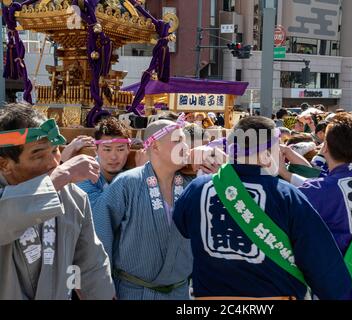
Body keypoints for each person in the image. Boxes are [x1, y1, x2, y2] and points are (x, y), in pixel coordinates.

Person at [173, 116, 352, 300]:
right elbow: (324, 268)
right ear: (267, 152)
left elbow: (181, 225)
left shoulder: (198, 188)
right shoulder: (286, 196)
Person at [93, 116, 223, 300]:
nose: (185, 147)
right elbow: (101, 235)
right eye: (178, 141)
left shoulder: (193, 183)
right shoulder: (127, 183)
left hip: (179, 292)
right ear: (155, 146)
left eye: (185, 141)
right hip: (133, 292)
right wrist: (103, 285)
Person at [0, 103, 115, 300]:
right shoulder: (58, 181)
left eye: (55, 151)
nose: (53, 163)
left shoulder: (73, 197)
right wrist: (59, 178)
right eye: (38, 154)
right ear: (5, 164)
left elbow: (90, 265)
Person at [280, 113, 352, 300]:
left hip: (342, 283)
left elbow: (312, 189)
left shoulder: (321, 189)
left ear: (325, 148)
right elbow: (319, 183)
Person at [77, 117, 133, 210]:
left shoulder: (134, 173)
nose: (113, 157)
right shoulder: (84, 176)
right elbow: (100, 212)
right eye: (107, 149)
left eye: (120, 149)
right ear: (96, 149)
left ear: (128, 149)